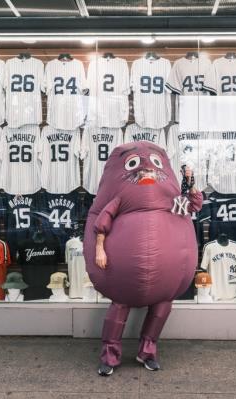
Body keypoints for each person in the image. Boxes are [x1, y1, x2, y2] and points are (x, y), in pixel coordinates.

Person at [83, 142, 202, 376]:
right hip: (121, 273)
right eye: (138, 165)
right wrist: (100, 249)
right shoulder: (120, 197)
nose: (147, 169)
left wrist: (191, 181)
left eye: (154, 165)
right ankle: (109, 355)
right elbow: (101, 223)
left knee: (163, 306)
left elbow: (194, 205)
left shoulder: (172, 200)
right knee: (119, 305)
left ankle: (147, 351)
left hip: (167, 276)